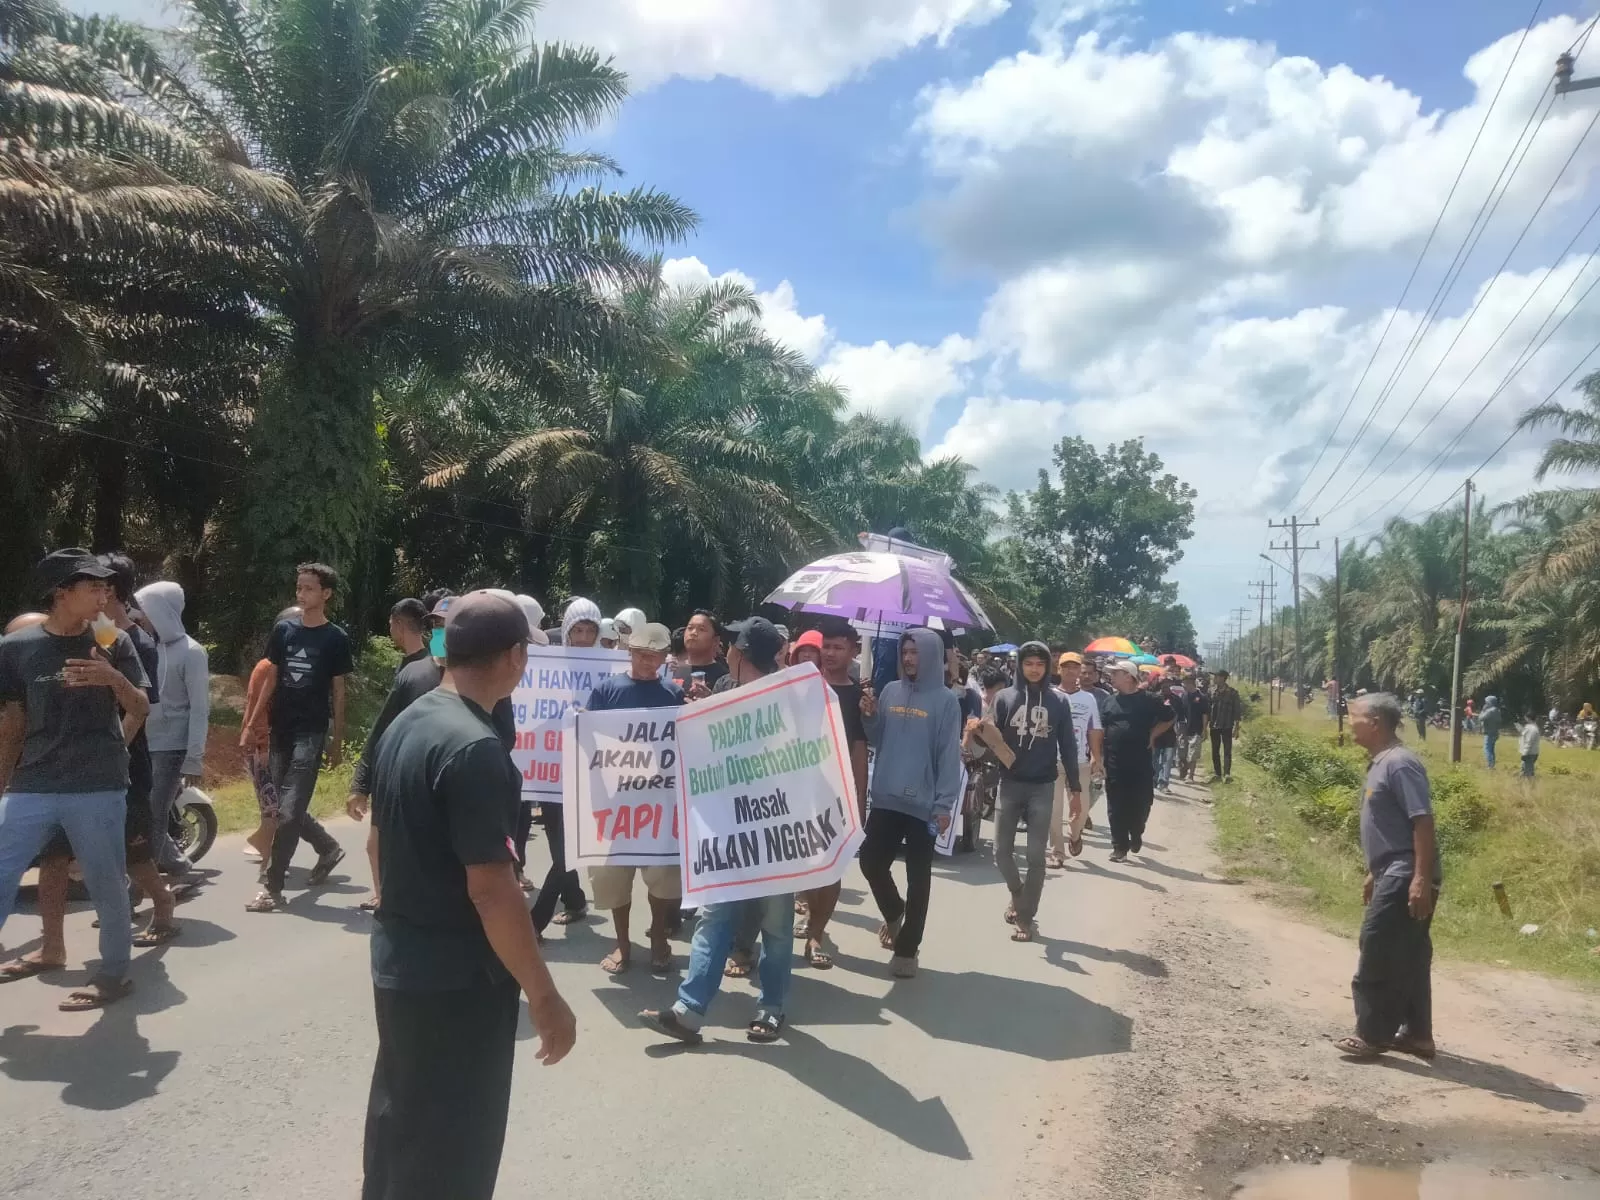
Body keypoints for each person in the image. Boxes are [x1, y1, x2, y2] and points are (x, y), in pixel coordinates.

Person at [363, 591, 575, 1200]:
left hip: (400, 962)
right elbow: (491, 890)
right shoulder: (477, 748)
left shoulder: (415, 715)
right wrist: (544, 994)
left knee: (400, 1121)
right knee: (454, 1146)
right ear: (515, 656)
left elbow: (377, 841)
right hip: (457, 981)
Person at [0, 549, 150, 1010]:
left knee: (106, 882)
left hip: (97, 785)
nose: (105, 595)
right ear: (62, 594)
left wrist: (112, 681)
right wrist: (4, 781)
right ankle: (56, 952)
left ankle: (112, 974)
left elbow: (140, 707)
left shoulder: (112, 641)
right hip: (33, 783)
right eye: (94, 588)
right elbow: (14, 723)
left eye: (107, 587)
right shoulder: (16, 649)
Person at [640, 616, 795, 1044]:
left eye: (731, 643)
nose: (726, 647)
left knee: (777, 925)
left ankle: (770, 1006)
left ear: (740, 652)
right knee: (714, 916)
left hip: (775, 832)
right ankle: (689, 1010)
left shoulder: (785, 699)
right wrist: (703, 711)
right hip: (727, 831)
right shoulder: (725, 688)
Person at [1335, 694, 1440, 1062]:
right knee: (1410, 953)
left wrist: (1420, 879)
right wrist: (1373, 872)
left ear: (1375, 722)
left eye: (1354, 717)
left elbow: (1422, 822)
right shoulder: (1381, 763)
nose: (1349, 723)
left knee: (1377, 945)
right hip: (1392, 870)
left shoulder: (1400, 764)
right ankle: (1418, 1036)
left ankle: (1371, 1033)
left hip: (1406, 873)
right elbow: (1391, 826)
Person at [247, 563, 353, 913]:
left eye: (309, 588)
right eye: (299, 587)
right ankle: (326, 847)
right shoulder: (284, 631)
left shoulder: (336, 638)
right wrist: (252, 722)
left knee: (289, 812)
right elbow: (271, 678)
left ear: (326, 594)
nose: (302, 593)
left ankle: (272, 887)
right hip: (281, 729)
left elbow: (338, 692)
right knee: (281, 809)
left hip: (311, 732)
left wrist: (337, 740)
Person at [858, 626, 963, 975]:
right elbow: (876, 739)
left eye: (915, 651)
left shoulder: (946, 701)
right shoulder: (888, 691)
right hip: (886, 797)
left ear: (931, 655)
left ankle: (907, 950)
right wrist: (870, 715)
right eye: (905, 651)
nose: (907, 658)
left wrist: (944, 804)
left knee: (919, 878)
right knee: (871, 862)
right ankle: (893, 910)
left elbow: (949, 755)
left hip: (924, 805)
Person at [581, 622, 684, 976]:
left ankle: (658, 933)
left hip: (658, 802)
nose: (648, 662)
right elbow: (588, 742)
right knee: (613, 877)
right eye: (642, 655)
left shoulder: (673, 694)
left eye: (655, 656)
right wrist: (581, 725)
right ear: (630, 652)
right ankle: (622, 942)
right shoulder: (607, 691)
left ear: (664, 657)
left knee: (665, 876)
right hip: (615, 802)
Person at [346, 598, 435, 910]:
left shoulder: (421, 673)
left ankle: (393, 902)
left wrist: (360, 783)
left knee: (382, 845)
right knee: (379, 845)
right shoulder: (416, 667)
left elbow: (382, 730)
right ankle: (388, 897)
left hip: (404, 770)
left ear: (397, 625)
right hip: (402, 768)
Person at [991, 642, 1081, 941]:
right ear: (1020, 666)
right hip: (1010, 784)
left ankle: (1025, 918)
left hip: (1043, 786)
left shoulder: (1058, 703)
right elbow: (989, 740)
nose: (1033, 668)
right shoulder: (1004, 698)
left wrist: (1075, 790)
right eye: (1028, 663)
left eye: (1039, 664)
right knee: (1001, 852)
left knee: (1035, 856)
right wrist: (975, 732)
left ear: (1047, 668)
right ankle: (1019, 896)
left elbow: (1068, 746)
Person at [797, 618, 870, 969]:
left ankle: (816, 933)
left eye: (839, 647)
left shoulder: (859, 697)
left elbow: (859, 749)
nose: (829, 653)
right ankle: (810, 915)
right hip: (800, 789)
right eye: (826, 646)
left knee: (832, 865)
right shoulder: (801, 686)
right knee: (807, 865)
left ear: (854, 651)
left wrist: (859, 796)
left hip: (837, 792)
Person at [529, 597, 602, 932]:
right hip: (549, 770)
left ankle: (535, 922)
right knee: (557, 840)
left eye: (590, 630)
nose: (585, 637)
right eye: (579, 630)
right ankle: (574, 900)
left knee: (565, 850)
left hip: (586, 774)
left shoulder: (608, 670)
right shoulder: (547, 667)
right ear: (568, 631)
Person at [135, 580, 210, 876]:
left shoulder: (192, 652)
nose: (140, 617)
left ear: (162, 612)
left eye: (145, 610)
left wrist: (194, 757)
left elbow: (200, 707)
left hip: (172, 747)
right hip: (145, 742)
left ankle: (139, 888)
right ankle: (178, 866)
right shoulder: (146, 648)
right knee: (145, 812)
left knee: (153, 813)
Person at [239, 606, 299, 861]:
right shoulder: (266, 667)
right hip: (262, 748)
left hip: (277, 745)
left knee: (274, 804)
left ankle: (267, 853)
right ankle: (268, 857)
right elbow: (257, 708)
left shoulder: (288, 666)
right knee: (272, 805)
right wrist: (263, 747)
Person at [1099, 660, 1174, 863]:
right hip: (1114, 762)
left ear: (1128, 676)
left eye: (1116, 673)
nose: (1111, 677)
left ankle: (1136, 832)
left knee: (1141, 802)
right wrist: (1097, 757)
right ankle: (1119, 847)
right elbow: (1102, 729)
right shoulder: (1109, 701)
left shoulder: (1150, 699)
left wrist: (1153, 735)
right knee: (1116, 805)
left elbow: (1169, 717)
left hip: (1140, 761)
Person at [1051, 652, 1102, 867]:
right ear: (1058, 670)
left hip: (1080, 761)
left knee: (1080, 809)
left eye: (1075, 667)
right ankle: (1057, 852)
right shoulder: (1049, 695)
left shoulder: (1088, 699)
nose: (1070, 671)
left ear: (1080, 671)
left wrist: (1096, 758)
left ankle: (1075, 834)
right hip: (1052, 762)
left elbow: (1094, 730)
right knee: (1053, 811)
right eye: (1066, 667)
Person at [670, 609, 728, 692]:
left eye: (701, 629)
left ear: (715, 640)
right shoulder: (671, 670)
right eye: (690, 628)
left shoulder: (724, 677)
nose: (693, 633)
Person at [1208, 669, 1242, 782]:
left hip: (1227, 725)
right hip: (1214, 725)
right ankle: (1217, 774)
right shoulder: (1211, 691)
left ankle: (1227, 774)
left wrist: (1236, 728)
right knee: (1215, 750)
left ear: (1223, 678)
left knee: (1227, 750)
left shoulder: (1232, 693)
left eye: (1216, 676)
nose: (1214, 678)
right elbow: (1207, 709)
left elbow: (1237, 711)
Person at [1177, 673, 1208, 783]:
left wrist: (1205, 729)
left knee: (1193, 755)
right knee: (1182, 753)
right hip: (1183, 729)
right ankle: (1184, 768)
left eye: (1185, 682)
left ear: (1190, 683)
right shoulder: (1183, 696)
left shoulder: (1201, 697)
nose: (1183, 685)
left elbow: (1205, 714)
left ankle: (1191, 776)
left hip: (1196, 729)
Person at [1518, 712, 1541, 793]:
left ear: (1528, 718)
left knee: (1529, 773)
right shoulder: (1532, 727)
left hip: (1529, 753)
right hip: (1531, 753)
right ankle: (1519, 786)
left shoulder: (1531, 729)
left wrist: (1525, 753)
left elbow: (1529, 742)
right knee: (1523, 770)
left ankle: (1532, 788)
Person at [1480, 694, 1503, 769]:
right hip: (1495, 732)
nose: (1485, 704)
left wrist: (1483, 710)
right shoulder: (1497, 710)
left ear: (1490, 702)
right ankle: (1492, 764)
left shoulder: (1490, 711)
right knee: (1492, 749)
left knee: (1487, 749)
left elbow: (1481, 718)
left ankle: (1490, 765)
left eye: (1486, 702)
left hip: (1489, 733)